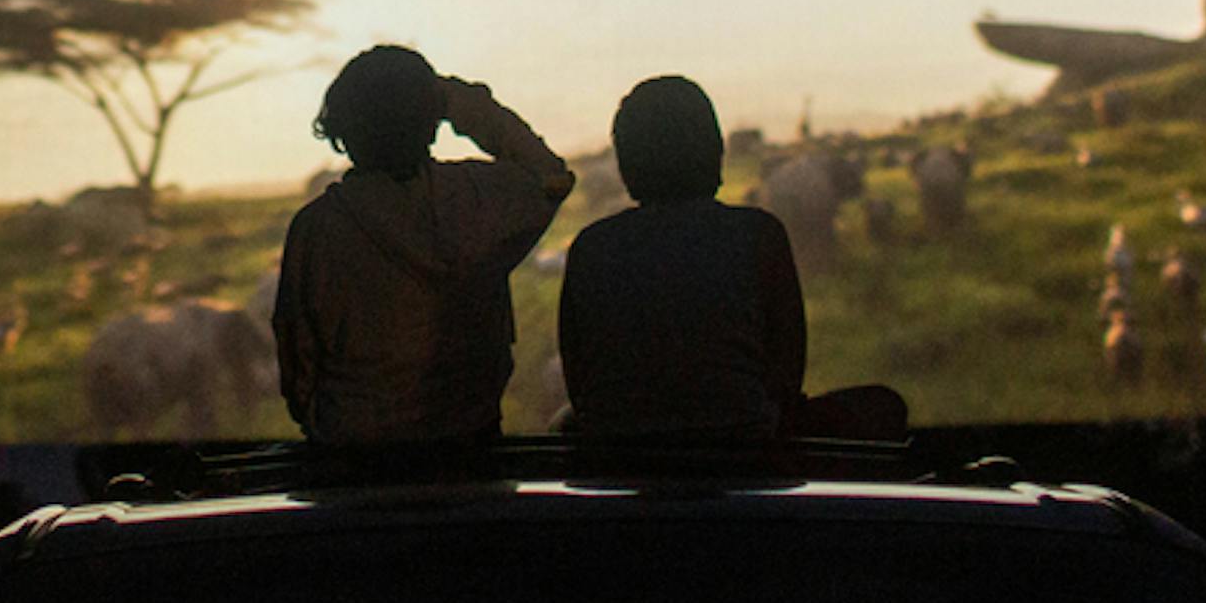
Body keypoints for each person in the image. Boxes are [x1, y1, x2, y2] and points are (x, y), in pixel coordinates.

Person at [558, 75, 905, 441]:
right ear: (714, 151)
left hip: (622, 453)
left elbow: (578, 383)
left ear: (626, 167)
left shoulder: (591, 246)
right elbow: (786, 374)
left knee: (563, 422)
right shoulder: (758, 233)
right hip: (745, 444)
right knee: (883, 405)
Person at [273, 45, 574, 445]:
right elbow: (550, 175)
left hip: (351, 459)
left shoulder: (316, 228)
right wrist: (458, 100)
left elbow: (298, 361)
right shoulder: (477, 198)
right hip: (470, 451)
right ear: (432, 121)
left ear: (343, 127)